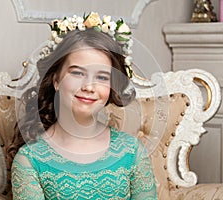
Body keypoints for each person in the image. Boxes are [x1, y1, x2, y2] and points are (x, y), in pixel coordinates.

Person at [11, 12, 158, 199]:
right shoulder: (30, 160)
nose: (89, 87)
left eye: (102, 77)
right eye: (77, 73)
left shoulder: (132, 151)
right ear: (56, 79)